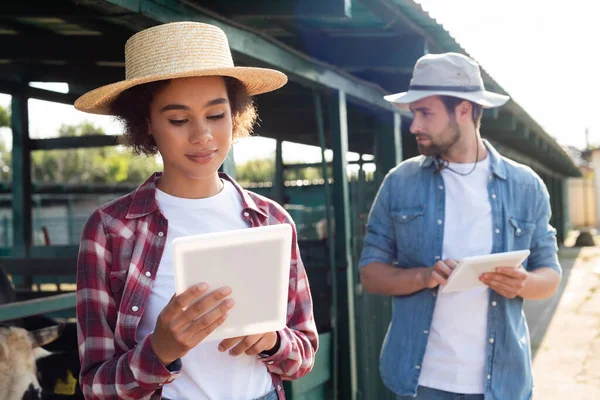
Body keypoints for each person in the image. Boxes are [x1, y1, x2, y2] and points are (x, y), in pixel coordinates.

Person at [74, 22, 318, 400]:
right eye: (178, 119)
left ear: (235, 115)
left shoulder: (271, 220)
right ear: (146, 124)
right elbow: (95, 386)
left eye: (217, 115)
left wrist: (271, 340)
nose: (202, 135)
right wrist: (160, 350)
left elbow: (302, 357)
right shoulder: (110, 230)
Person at [359, 52, 561, 400]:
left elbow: (550, 276)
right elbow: (370, 274)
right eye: (413, 113)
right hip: (420, 383)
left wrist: (522, 283)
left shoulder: (525, 186)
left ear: (464, 110)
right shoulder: (400, 182)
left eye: (426, 113)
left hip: (503, 384)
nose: (414, 125)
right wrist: (423, 277)